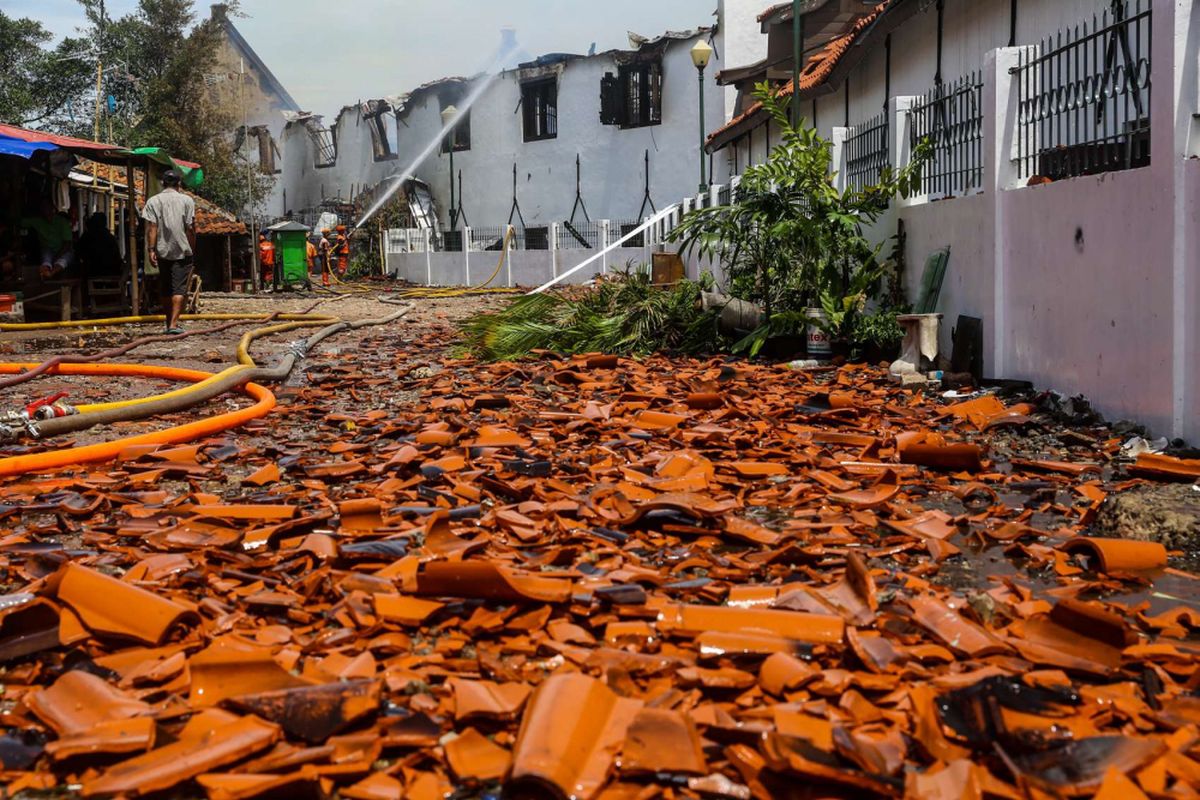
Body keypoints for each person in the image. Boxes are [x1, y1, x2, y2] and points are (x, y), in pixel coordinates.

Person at [142, 170, 196, 333]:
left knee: (165, 287)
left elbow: (152, 228)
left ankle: (168, 323)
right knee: (179, 288)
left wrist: (151, 249)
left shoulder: (153, 201)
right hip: (182, 249)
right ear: (179, 184)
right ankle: (173, 324)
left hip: (162, 250)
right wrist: (192, 248)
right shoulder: (187, 200)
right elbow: (190, 228)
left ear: (163, 184)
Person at [21, 199, 75, 280]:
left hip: (63, 251)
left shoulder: (62, 222)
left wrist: (57, 257)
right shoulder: (38, 221)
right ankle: (45, 271)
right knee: (46, 257)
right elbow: (18, 222)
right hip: (48, 250)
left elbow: (67, 244)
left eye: (47, 207)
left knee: (64, 260)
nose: (45, 210)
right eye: (43, 208)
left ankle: (51, 273)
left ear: (52, 208)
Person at [77, 212, 123, 279]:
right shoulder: (110, 237)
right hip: (113, 274)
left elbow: (79, 253)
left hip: (94, 274)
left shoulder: (87, 236)